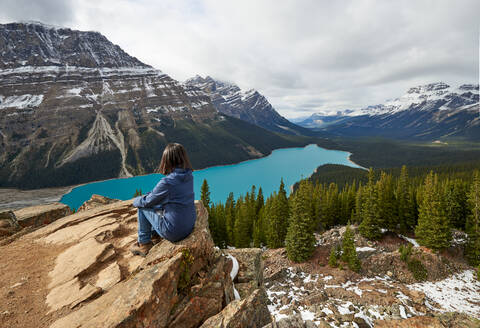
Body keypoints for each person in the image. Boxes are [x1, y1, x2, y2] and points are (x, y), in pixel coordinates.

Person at [130, 143, 196, 257]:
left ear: (167, 161)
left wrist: (136, 201)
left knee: (142, 208)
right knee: (157, 206)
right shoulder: (189, 176)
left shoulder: (167, 182)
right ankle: (155, 235)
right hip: (189, 226)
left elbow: (147, 202)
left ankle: (144, 243)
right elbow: (162, 197)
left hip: (174, 232)